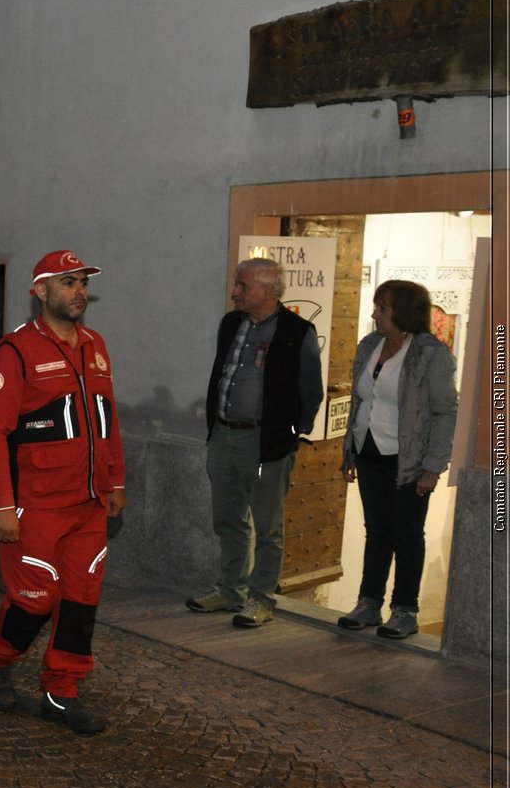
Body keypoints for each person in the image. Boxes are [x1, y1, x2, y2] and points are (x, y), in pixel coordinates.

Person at [0, 250, 126, 735]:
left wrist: (117, 480)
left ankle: (62, 692)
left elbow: (108, 420)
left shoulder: (96, 345)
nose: (78, 290)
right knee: (36, 597)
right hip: (34, 503)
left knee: (82, 596)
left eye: (82, 282)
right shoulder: (14, 351)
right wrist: (2, 505)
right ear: (41, 292)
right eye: (67, 282)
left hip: (89, 503)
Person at [187, 257, 323, 629]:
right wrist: (215, 426)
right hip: (224, 435)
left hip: (265, 444)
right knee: (228, 518)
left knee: (268, 527)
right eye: (237, 284)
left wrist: (289, 435)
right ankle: (231, 589)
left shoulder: (297, 331)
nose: (235, 292)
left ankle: (261, 598)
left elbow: (311, 392)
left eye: (242, 286)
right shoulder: (231, 323)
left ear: (267, 290)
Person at [337, 280, 457, 639]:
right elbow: (360, 402)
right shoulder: (370, 346)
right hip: (370, 452)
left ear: (402, 312)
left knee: (406, 534)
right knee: (377, 531)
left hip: (409, 460)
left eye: (381, 308)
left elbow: (444, 412)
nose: (374, 314)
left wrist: (433, 466)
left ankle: (405, 609)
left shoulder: (429, 353)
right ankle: (369, 602)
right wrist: (350, 452)